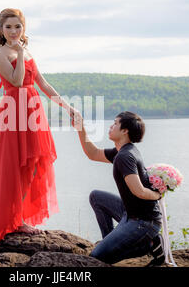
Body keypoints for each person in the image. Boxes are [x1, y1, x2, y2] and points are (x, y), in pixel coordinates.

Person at [0, 8, 77, 242]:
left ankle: (19, 217)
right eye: (8, 27)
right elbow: (17, 80)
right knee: (13, 166)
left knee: (32, 165)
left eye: (17, 26)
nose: (13, 31)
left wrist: (69, 108)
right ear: (0, 30)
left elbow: (42, 82)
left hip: (33, 109)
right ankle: (15, 222)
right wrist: (20, 53)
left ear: (24, 28)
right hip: (13, 113)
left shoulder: (27, 50)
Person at [71, 110, 166, 266]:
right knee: (96, 196)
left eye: (115, 123)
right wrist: (81, 128)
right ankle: (109, 242)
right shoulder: (121, 151)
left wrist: (157, 195)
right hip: (129, 214)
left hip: (144, 222)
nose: (111, 126)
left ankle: (149, 245)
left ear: (125, 131)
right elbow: (93, 153)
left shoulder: (125, 156)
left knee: (97, 256)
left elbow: (139, 191)